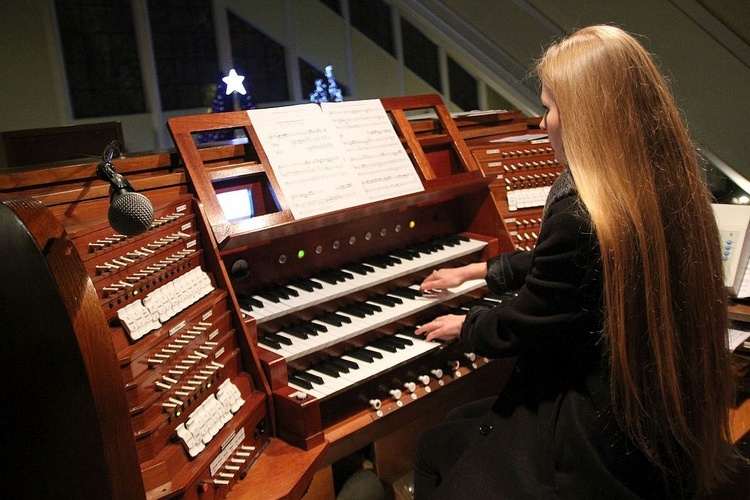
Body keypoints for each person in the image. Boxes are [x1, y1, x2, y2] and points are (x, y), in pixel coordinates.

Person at [413, 25, 742, 499]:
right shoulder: (663, 179)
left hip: (592, 433)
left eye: (548, 107)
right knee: (456, 425)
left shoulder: (579, 211)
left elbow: (527, 322)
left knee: (434, 446)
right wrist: (484, 270)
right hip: (649, 408)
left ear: (586, 117)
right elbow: (574, 267)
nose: (543, 121)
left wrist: (466, 327)